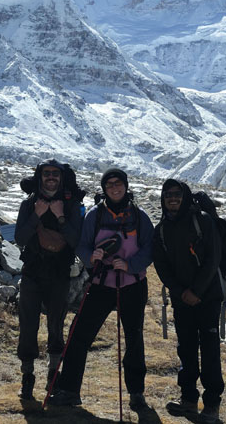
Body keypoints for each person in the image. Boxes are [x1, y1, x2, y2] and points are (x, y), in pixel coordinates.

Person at [49, 167, 154, 412]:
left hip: (132, 285)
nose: (115, 188)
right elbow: (82, 246)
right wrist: (91, 257)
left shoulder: (140, 217)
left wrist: (130, 265)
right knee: (79, 335)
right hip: (101, 283)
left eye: (118, 183)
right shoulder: (95, 215)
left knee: (134, 339)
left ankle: (136, 393)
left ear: (126, 186)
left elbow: (150, 249)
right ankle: (69, 390)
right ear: (104, 189)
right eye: (110, 185)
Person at [152, 179, 224, 423]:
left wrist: (196, 291)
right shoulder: (161, 228)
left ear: (185, 196)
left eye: (177, 194)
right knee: (186, 349)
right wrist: (181, 291)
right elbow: (161, 265)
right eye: (168, 194)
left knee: (210, 349)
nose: (172, 198)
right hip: (182, 299)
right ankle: (189, 399)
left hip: (208, 297)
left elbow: (214, 258)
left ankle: (212, 404)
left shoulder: (202, 220)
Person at [14, 159, 84, 400]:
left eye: (55, 174)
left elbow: (76, 241)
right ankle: (28, 376)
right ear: (40, 176)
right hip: (32, 273)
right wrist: (37, 215)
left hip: (59, 274)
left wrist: (60, 217)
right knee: (28, 324)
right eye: (47, 174)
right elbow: (20, 238)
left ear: (61, 178)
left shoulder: (72, 206)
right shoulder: (30, 204)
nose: (51, 177)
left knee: (56, 324)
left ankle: (53, 375)